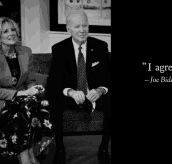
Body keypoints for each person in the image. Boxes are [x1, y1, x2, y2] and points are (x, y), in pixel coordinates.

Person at [45, 10, 111, 163]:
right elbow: (54, 83)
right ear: (68, 29)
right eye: (77, 26)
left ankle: (103, 147)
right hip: (72, 96)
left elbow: (109, 76)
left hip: (94, 94)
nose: (82, 30)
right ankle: (60, 148)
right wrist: (70, 92)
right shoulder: (59, 49)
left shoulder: (100, 46)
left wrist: (100, 90)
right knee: (54, 100)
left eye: (85, 25)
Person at [0, 17, 55, 164]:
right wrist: (22, 94)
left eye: (13, 29)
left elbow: (29, 80)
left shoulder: (25, 51)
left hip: (22, 99)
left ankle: (31, 152)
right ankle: (25, 156)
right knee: (26, 107)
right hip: (2, 101)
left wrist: (33, 88)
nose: (12, 33)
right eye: (6, 31)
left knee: (42, 103)